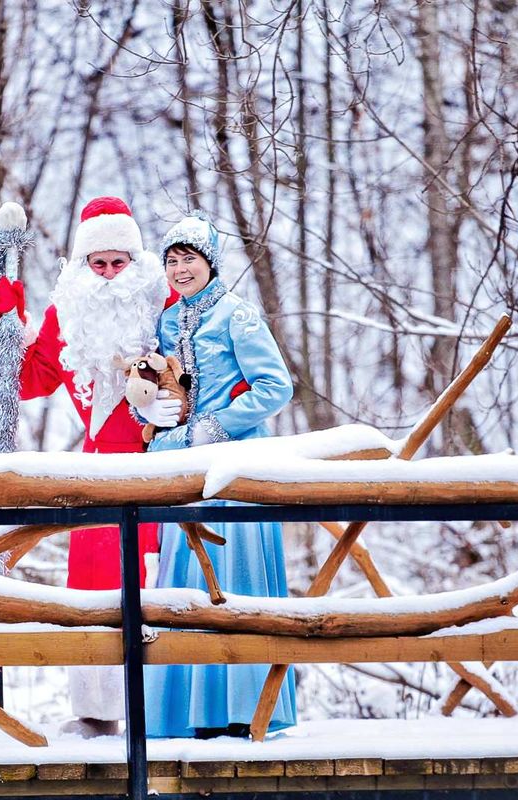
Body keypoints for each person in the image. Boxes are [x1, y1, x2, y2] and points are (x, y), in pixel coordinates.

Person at [0, 196, 180, 737]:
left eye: (120, 263)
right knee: (96, 591)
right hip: (95, 478)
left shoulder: (164, 304)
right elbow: (30, 379)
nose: (110, 274)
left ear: (137, 262)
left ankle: (165, 713)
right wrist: (9, 318)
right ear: (81, 267)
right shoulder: (65, 314)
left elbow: (203, 368)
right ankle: (98, 712)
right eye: (99, 264)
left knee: (161, 588)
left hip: (163, 468)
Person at [143, 212, 297, 739]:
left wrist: (217, 425)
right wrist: (160, 416)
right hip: (185, 464)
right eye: (172, 261)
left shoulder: (239, 315)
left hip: (236, 470)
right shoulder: (167, 322)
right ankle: (187, 715)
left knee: (235, 579)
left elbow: (276, 388)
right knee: (185, 583)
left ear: (210, 263)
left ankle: (244, 710)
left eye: (189, 259)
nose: (180, 269)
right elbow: (169, 389)